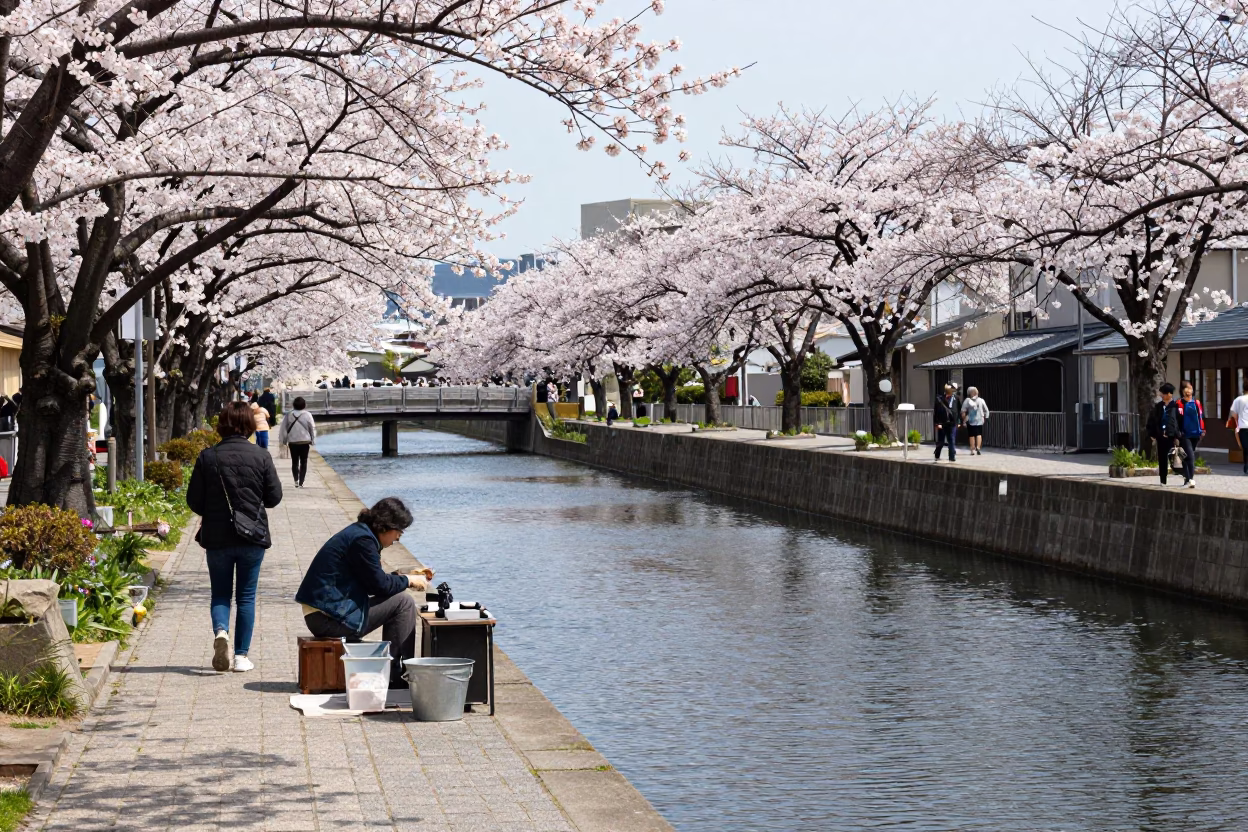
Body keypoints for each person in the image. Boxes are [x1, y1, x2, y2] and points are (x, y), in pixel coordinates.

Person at [186, 401, 283, 673]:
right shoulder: (261, 456)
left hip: (217, 537)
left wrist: (214, 509)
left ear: (222, 425)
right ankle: (241, 657)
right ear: (250, 426)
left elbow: (194, 500)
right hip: (252, 536)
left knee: (220, 594)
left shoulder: (208, 456)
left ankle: (221, 633)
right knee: (246, 597)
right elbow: (274, 498)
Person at [296, 498, 433, 688]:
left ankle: (395, 671)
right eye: (399, 531)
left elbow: (372, 581)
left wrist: (401, 576)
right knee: (403, 603)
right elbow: (378, 586)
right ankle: (399, 674)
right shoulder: (363, 541)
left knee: (398, 598)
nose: (399, 538)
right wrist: (408, 581)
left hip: (325, 613)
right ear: (387, 526)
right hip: (327, 619)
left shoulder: (359, 533)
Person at [1147, 382, 1182, 486]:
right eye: (1161, 394)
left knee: (1176, 459)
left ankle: (1186, 477)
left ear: (1169, 394)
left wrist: (1178, 435)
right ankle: (1163, 480)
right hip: (1160, 436)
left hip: (1172, 437)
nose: (1161, 396)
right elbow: (1152, 420)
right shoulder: (1158, 407)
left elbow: (1179, 422)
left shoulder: (1176, 407)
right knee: (1162, 459)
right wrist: (1152, 433)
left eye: (1163, 393)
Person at [278, 396, 317, 488]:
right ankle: (301, 482)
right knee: (304, 462)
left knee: (294, 462)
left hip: (293, 442)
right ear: (304, 405)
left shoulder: (289, 415)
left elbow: (283, 428)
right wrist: (313, 439)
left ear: (294, 405)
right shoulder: (308, 415)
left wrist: (283, 441)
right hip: (304, 441)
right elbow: (312, 428)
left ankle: (296, 480)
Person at [1176, 381, 1205, 488]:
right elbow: (1176, 420)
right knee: (1189, 456)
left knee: (1187, 456)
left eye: (1190, 389)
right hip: (1184, 434)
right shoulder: (1178, 404)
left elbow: (1201, 416)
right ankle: (1189, 479)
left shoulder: (1196, 403)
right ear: (1183, 391)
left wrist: (1202, 429)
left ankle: (1188, 479)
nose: (1189, 392)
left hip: (1195, 433)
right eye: (1187, 389)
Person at [960, 386, 990, 455]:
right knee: (979, 434)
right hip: (980, 420)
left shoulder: (967, 400)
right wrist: (986, 418)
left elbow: (963, 411)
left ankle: (972, 450)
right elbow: (987, 410)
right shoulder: (981, 400)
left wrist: (964, 420)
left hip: (970, 420)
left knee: (971, 435)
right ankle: (978, 448)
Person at [934, 383, 960, 462]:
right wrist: (937, 423)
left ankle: (952, 457)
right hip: (942, 422)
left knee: (951, 440)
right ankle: (937, 454)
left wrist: (958, 421)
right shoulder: (939, 399)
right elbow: (936, 412)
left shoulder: (956, 399)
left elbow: (958, 410)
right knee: (941, 441)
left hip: (952, 422)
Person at [1231, 379, 1248, 475]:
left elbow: (1234, 415)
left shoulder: (1238, 400)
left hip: (1243, 427)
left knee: (1245, 448)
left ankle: (1246, 466)